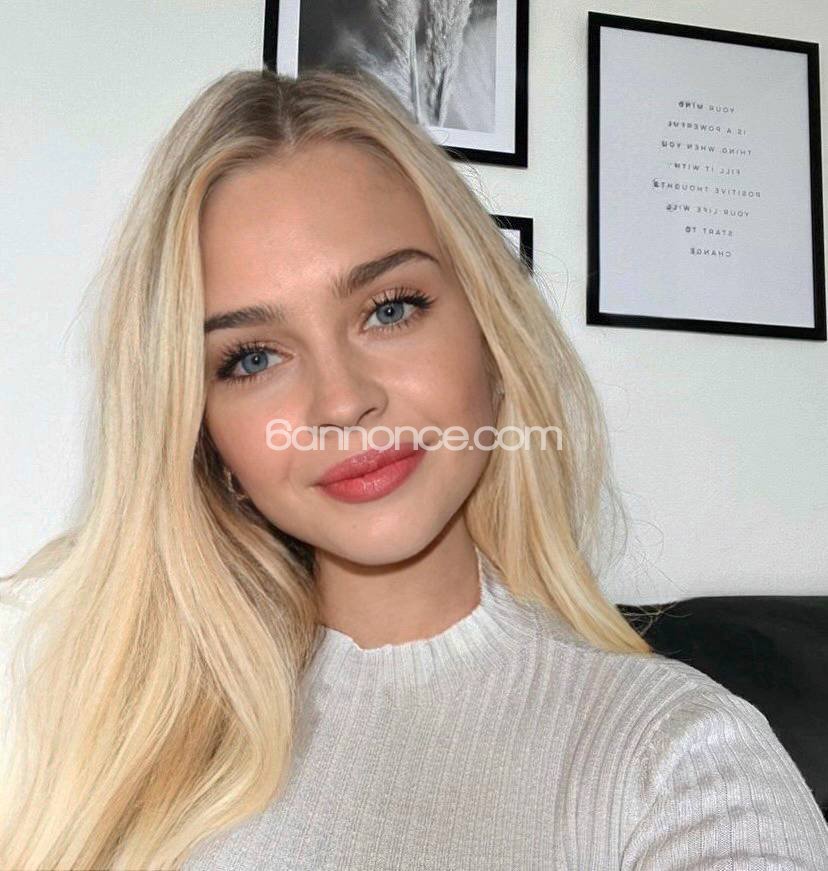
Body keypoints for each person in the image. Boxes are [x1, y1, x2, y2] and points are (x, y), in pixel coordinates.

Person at [0, 67, 825, 871]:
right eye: (252, 357)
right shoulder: (104, 745)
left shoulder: (678, 758)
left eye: (389, 309)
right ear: (205, 438)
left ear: (491, 338)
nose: (342, 400)